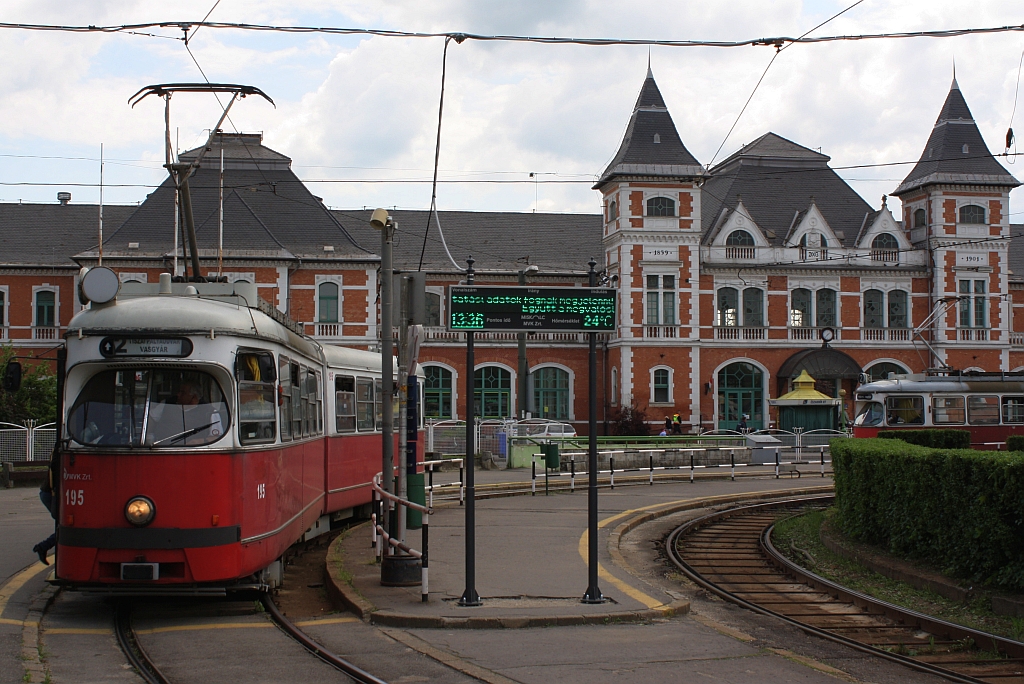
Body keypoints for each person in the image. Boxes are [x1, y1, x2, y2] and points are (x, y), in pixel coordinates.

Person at [32, 450, 58, 565]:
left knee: (63, 526)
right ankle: (43, 546)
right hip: (51, 494)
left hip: (48, 492)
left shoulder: (57, 452)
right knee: (65, 527)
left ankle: (43, 547)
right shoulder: (60, 455)